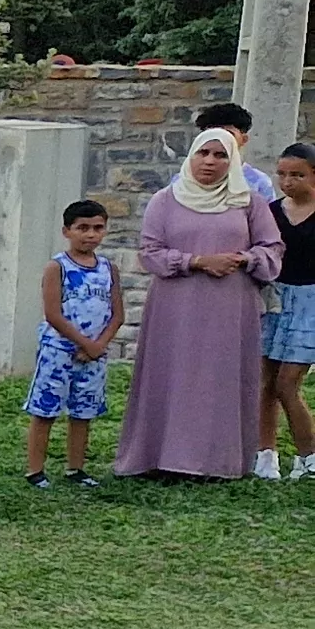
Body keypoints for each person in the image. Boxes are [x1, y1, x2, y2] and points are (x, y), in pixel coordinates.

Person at [116, 113, 288, 480]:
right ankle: (159, 457)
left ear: (234, 159)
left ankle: (214, 463)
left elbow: (273, 249)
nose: (210, 162)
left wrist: (244, 258)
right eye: (203, 153)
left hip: (230, 306)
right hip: (174, 307)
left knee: (219, 379)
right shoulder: (165, 201)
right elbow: (150, 252)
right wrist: (196, 261)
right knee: (171, 375)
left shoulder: (248, 202)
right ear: (191, 156)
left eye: (220, 155)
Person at [24, 198, 123, 488]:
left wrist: (98, 345)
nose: (90, 234)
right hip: (59, 351)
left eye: (97, 228)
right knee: (46, 410)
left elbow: (117, 313)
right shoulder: (58, 267)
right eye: (83, 228)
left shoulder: (109, 269)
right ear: (67, 231)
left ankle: (76, 468)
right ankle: (35, 470)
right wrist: (82, 343)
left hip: (94, 354)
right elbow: (53, 313)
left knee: (84, 411)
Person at [263, 142, 315, 477]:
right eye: (282, 174)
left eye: (297, 174)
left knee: (287, 383)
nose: (288, 181)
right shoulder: (270, 212)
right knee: (265, 382)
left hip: (311, 303)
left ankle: (308, 456)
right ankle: (264, 456)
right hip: (274, 299)